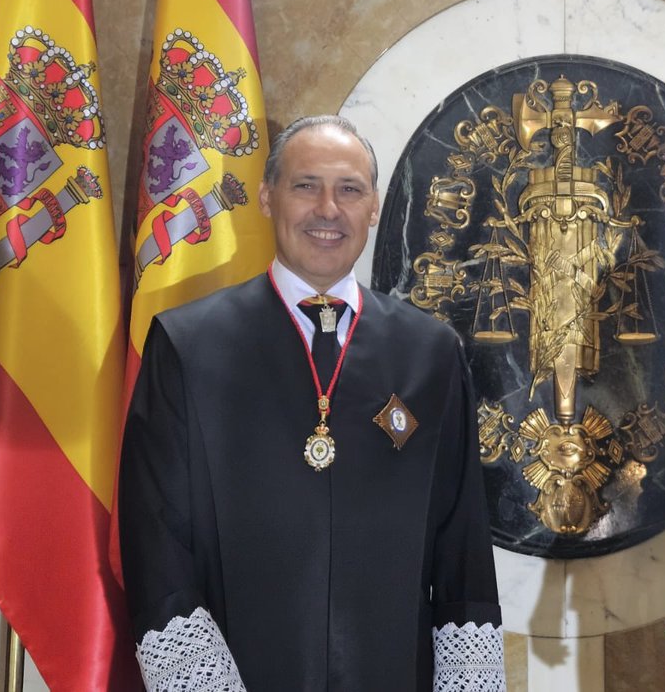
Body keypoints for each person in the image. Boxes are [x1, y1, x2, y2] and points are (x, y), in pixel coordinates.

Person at [119, 115, 505, 691]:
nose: (328, 209)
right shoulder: (188, 345)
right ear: (267, 197)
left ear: (374, 208)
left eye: (349, 189)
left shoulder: (433, 353)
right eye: (306, 185)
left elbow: (463, 550)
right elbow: (156, 543)